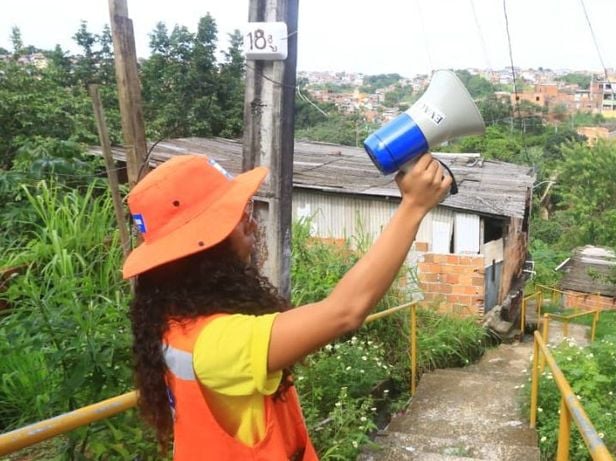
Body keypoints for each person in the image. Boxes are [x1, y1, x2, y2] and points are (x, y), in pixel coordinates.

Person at [124, 153, 451, 460]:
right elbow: (344, 311)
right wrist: (413, 206)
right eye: (241, 217)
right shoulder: (218, 345)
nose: (252, 224)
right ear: (206, 246)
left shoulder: (173, 323)